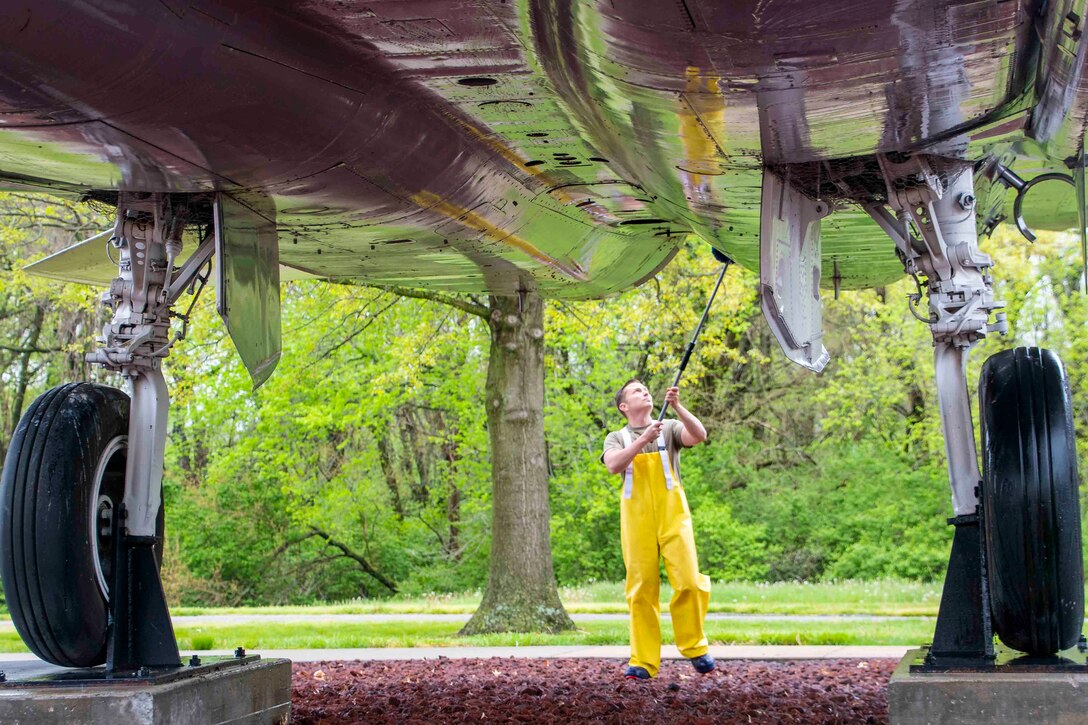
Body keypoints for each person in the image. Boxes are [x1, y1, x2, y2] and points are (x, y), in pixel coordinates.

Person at [601, 379, 714, 680]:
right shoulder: (617, 437)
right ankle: (643, 661)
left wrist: (678, 406)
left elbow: (699, 435)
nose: (645, 392)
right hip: (636, 519)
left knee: (689, 581)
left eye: (646, 389)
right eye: (637, 391)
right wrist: (642, 441)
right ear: (624, 407)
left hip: (673, 515)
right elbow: (613, 465)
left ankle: (695, 646)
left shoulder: (670, 428)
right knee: (641, 589)